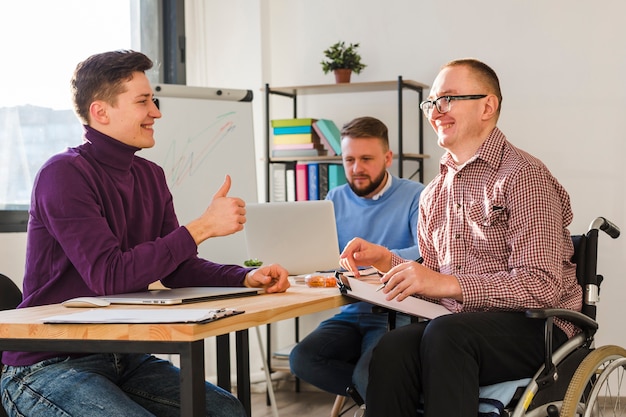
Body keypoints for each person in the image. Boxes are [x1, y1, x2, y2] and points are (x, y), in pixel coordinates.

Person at [0, 50, 290, 417]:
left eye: (153, 100)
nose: (156, 112)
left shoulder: (150, 176)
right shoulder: (63, 174)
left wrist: (246, 276)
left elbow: (178, 269)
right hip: (49, 364)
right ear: (101, 112)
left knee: (226, 410)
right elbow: (110, 276)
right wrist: (202, 227)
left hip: (124, 356)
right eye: (143, 101)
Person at [339, 58, 581, 416]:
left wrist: (447, 285)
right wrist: (385, 260)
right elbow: (433, 277)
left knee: (446, 335)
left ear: (487, 106)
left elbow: (541, 285)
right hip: (460, 327)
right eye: (432, 102)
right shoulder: (434, 193)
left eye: (449, 99)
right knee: (391, 349)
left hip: (537, 326)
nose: (437, 111)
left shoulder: (523, 176)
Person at [289, 116, 425, 401]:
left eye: (366, 158)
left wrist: (380, 257)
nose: (356, 169)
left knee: (372, 374)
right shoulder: (335, 197)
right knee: (302, 358)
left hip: (397, 312)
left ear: (388, 158)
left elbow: (426, 253)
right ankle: (375, 397)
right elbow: (326, 258)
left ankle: (377, 394)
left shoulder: (417, 196)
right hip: (350, 310)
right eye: (349, 159)